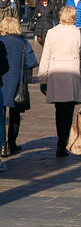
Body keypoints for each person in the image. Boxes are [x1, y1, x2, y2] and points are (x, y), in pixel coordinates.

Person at [37, 6, 81, 157]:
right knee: (68, 111)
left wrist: (43, 78)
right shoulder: (79, 33)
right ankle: (63, 141)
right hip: (71, 73)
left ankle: (60, 140)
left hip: (56, 73)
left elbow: (46, 56)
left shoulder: (52, 32)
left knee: (59, 110)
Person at [0, 15, 37, 156]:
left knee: (1, 116)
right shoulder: (23, 43)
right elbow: (31, 62)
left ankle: (2, 145)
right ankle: (12, 143)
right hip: (17, 83)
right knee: (14, 115)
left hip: (2, 82)